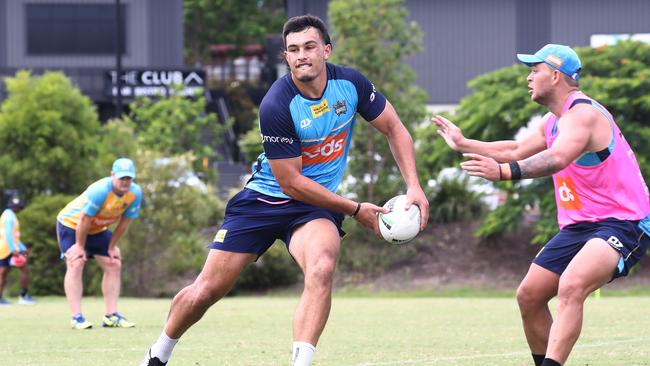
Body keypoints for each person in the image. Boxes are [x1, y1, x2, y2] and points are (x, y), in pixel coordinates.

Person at [140, 14, 429, 366]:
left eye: (309, 47)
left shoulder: (351, 84)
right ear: (286, 57)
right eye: (293, 50)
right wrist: (354, 209)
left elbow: (395, 128)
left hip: (314, 207)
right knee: (206, 291)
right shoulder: (277, 104)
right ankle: (158, 353)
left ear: (326, 50)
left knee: (322, 268)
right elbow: (291, 182)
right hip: (263, 200)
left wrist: (414, 186)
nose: (301, 55)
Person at [433, 44, 650, 366]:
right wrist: (466, 143)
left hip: (624, 222)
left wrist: (504, 173)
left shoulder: (583, 115)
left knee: (572, 285)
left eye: (535, 70)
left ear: (556, 75)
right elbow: (517, 148)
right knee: (530, 296)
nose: (529, 78)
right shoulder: (553, 121)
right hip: (582, 226)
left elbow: (557, 158)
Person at [56, 158, 142, 329]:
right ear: (113, 175)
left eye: (128, 178)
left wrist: (112, 247)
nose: (125, 182)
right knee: (76, 262)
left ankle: (111, 316)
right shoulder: (100, 190)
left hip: (97, 228)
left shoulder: (135, 193)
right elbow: (84, 220)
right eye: (121, 178)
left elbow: (124, 223)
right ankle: (77, 317)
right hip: (72, 224)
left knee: (113, 263)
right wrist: (80, 247)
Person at [0, 195, 37, 306]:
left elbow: (15, 237)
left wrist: (23, 249)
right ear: (15, 207)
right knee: (24, 270)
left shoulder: (8, 215)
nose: (20, 209)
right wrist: (14, 250)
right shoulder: (9, 216)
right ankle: (24, 296)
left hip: (4, 248)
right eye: (19, 207)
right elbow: (8, 234)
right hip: (8, 249)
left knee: (3, 274)